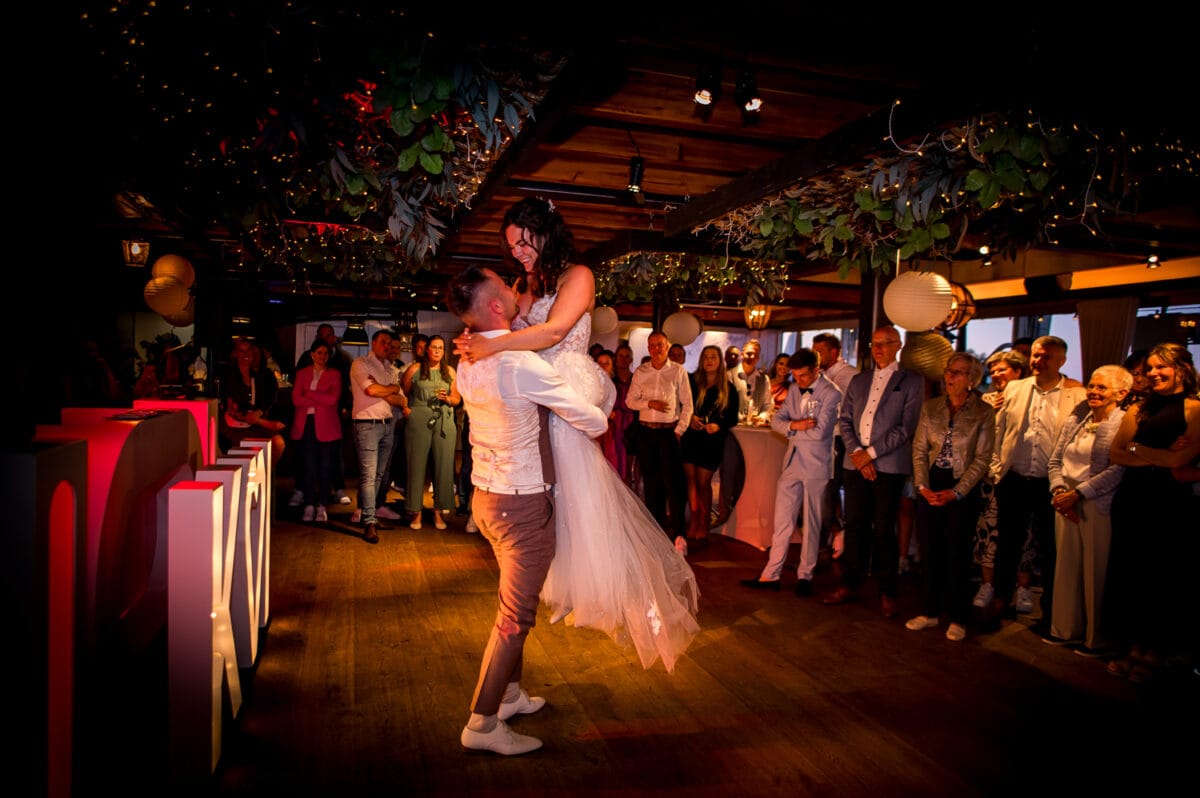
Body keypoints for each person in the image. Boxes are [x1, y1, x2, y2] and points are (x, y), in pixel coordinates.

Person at [452, 198, 699, 672]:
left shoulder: (578, 276)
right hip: (532, 394)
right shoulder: (523, 285)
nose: (519, 252)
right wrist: (476, 338)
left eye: (525, 240)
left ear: (547, 233)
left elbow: (553, 331)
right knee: (542, 497)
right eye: (511, 245)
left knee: (575, 499)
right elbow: (503, 323)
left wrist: (494, 343)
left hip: (562, 387)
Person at [447, 265, 610, 756]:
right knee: (515, 618)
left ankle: (510, 696)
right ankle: (481, 721)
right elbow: (595, 422)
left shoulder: (468, 359)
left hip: (487, 498)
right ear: (496, 306)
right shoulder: (519, 364)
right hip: (521, 504)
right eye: (506, 286)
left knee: (510, 601)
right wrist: (594, 390)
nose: (517, 289)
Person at [1105, 343, 1200, 683]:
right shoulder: (1139, 408)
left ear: (1182, 370)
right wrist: (1153, 453)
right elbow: (1115, 453)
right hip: (1133, 499)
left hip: (1170, 503)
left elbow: (1179, 463)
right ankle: (1131, 645)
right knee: (1131, 574)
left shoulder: (1194, 409)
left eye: (1162, 368)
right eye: (1149, 368)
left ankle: (1155, 651)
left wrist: (1137, 449)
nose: (1153, 374)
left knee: (1163, 578)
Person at [822, 325, 923, 618]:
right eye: (874, 343)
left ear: (898, 344)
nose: (878, 349)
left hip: (888, 464)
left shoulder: (911, 381)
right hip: (855, 462)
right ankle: (850, 584)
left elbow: (906, 426)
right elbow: (845, 420)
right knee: (854, 525)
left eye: (885, 343)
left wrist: (871, 455)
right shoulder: (859, 380)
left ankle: (887, 590)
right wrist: (857, 453)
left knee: (883, 528)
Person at [989, 335, 1086, 632]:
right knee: (1007, 544)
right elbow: (999, 430)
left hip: (1050, 482)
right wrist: (996, 470)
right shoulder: (1014, 388)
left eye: (1045, 357)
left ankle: (1052, 611)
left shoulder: (1076, 395)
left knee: (1050, 549)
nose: (1037, 361)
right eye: (1035, 355)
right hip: (1014, 478)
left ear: (1061, 361)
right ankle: (1001, 601)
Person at [904, 353, 994, 642]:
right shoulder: (931, 407)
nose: (950, 377)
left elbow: (982, 459)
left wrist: (956, 492)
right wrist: (922, 487)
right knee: (930, 551)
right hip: (931, 481)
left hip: (962, 487)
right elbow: (919, 450)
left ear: (972, 380)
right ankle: (929, 612)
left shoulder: (983, 412)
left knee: (958, 553)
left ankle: (958, 616)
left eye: (958, 372)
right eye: (948, 371)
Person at [1041, 365, 1129, 655]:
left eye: (1102, 387)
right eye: (1092, 385)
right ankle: (1065, 629)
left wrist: (1079, 494)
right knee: (1066, 569)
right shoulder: (1078, 417)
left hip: (1095, 502)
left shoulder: (1124, 422)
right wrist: (1058, 492)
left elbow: (1120, 468)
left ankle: (1097, 639)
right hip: (1064, 500)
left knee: (1096, 572)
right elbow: (1055, 460)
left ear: (1122, 393)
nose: (1093, 391)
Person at [742, 348, 841, 595]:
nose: (798, 381)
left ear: (817, 370)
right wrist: (795, 425)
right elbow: (777, 422)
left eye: (803, 376)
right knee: (782, 521)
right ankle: (771, 574)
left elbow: (822, 433)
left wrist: (790, 429)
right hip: (792, 461)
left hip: (817, 465)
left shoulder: (832, 393)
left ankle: (805, 576)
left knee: (812, 522)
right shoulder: (795, 389)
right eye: (795, 376)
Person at [973, 348, 1030, 609]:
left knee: (1021, 534)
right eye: (992, 370)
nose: (996, 374)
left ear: (1018, 372)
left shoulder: (1030, 399)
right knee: (987, 530)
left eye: (1002, 369)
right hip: (987, 475)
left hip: (1016, 474)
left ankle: (1022, 588)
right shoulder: (985, 400)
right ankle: (987, 585)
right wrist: (986, 411)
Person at [627, 331, 694, 551]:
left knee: (674, 486)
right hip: (646, 433)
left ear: (667, 346)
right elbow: (630, 401)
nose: (656, 349)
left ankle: (679, 537)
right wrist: (649, 404)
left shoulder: (677, 371)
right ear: (648, 348)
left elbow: (687, 405)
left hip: (668, 433)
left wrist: (679, 431)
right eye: (652, 345)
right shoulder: (641, 371)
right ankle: (655, 535)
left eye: (660, 345)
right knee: (652, 484)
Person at [349, 329, 407, 544]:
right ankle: (369, 521)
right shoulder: (360, 364)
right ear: (373, 343)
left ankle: (370, 515)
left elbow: (399, 399)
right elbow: (371, 391)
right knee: (368, 475)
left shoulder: (389, 368)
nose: (386, 346)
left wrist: (388, 389)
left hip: (386, 425)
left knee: (379, 476)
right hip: (367, 424)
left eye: (388, 343)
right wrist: (390, 388)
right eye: (383, 342)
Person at [680, 345, 740, 546]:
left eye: (713, 357)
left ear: (719, 361)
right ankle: (694, 519)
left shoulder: (728, 388)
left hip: (711, 440)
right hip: (691, 436)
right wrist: (690, 417)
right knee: (690, 482)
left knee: (703, 483)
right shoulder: (691, 381)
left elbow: (732, 417)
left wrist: (718, 425)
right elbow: (681, 404)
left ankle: (704, 520)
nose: (709, 360)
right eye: (705, 357)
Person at [401, 335, 460, 530]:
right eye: (433, 347)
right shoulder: (415, 369)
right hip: (419, 419)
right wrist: (407, 410)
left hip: (444, 420)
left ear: (444, 351)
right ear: (427, 349)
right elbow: (402, 392)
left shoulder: (450, 371)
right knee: (416, 466)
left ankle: (438, 513)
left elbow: (457, 397)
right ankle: (415, 513)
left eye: (440, 348)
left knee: (444, 468)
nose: (436, 350)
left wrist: (449, 400)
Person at [812, 332, 857, 559]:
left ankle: (824, 543)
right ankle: (828, 535)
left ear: (834, 352)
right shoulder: (820, 375)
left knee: (828, 490)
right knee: (822, 492)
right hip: (821, 438)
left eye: (820, 352)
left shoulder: (848, 375)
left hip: (839, 438)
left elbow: (843, 410)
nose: (817, 357)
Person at [290, 338, 344, 523]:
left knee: (325, 468)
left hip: (327, 426)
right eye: (319, 353)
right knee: (309, 467)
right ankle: (309, 504)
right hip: (306, 425)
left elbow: (332, 400)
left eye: (325, 353)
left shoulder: (335, 374)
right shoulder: (302, 373)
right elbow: (296, 399)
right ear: (312, 354)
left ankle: (322, 506)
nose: (322, 356)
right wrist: (320, 398)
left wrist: (309, 394)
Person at [219, 336, 287, 467]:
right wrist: (263, 422)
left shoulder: (256, 375)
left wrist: (259, 415)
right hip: (233, 426)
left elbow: (267, 400)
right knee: (250, 450)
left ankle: (260, 477)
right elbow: (234, 408)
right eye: (241, 351)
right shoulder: (229, 376)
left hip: (253, 424)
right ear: (235, 353)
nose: (246, 354)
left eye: (248, 350)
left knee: (278, 443)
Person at [610, 343, 639, 488]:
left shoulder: (636, 379)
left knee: (628, 467)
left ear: (631, 359)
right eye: (620, 356)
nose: (623, 359)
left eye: (627, 356)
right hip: (612, 427)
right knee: (612, 465)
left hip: (631, 426)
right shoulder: (610, 379)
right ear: (615, 358)